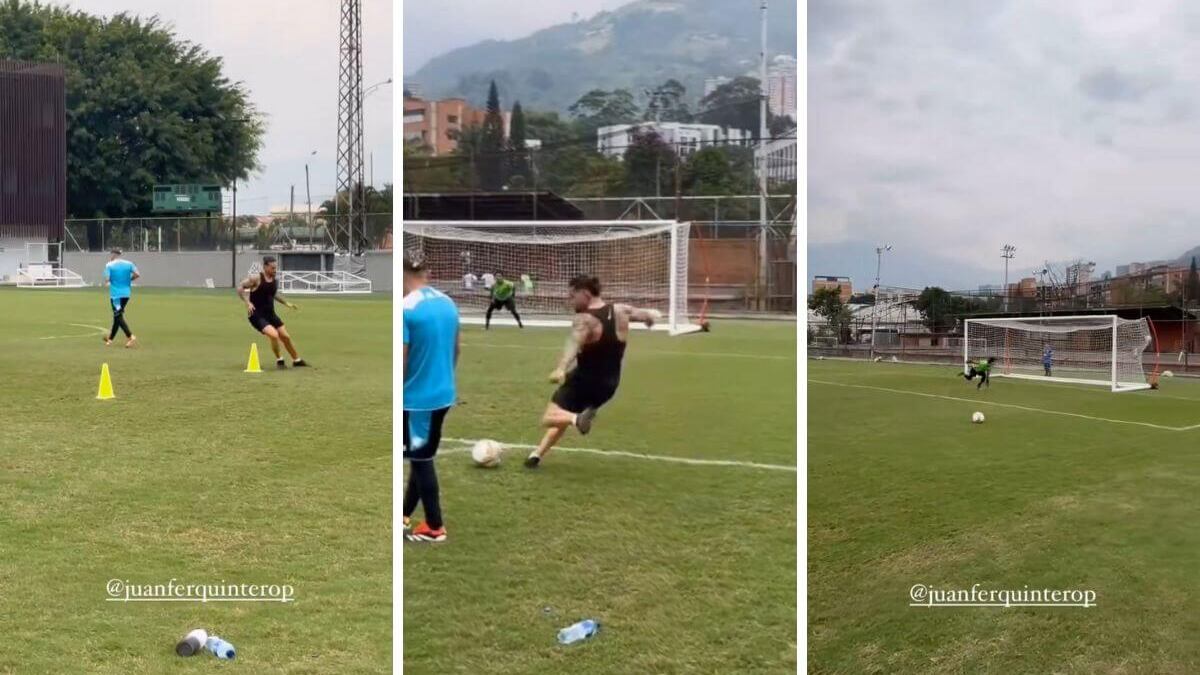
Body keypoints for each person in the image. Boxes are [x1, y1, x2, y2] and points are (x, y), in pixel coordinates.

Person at [525, 274, 659, 468]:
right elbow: (644, 314)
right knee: (565, 413)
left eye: (572, 296)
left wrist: (560, 368)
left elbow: (573, 343)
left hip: (584, 381)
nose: (569, 300)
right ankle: (536, 454)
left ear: (585, 293)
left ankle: (577, 419)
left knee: (549, 418)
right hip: (609, 386)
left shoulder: (584, 319)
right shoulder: (621, 310)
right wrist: (650, 318)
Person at [403, 252, 460, 543]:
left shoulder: (406, 308)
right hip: (444, 394)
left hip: (416, 400)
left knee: (421, 459)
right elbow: (456, 349)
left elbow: (401, 362)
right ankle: (403, 515)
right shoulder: (448, 302)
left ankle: (435, 527)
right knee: (419, 455)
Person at [237, 256, 308, 369]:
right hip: (257, 315)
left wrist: (286, 303)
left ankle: (296, 360)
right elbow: (240, 287)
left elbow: (273, 294)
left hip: (270, 314)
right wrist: (247, 302)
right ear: (265, 267)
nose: (275, 270)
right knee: (274, 335)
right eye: (272, 268)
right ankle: (280, 360)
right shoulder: (256, 278)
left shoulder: (274, 280)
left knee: (285, 336)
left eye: (276, 268)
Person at [103, 249, 140, 347]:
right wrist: (128, 280)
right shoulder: (129, 263)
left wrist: (110, 281)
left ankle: (130, 336)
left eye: (111, 254)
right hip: (126, 294)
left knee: (118, 316)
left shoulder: (109, 265)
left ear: (114, 255)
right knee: (117, 316)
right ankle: (110, 339)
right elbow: (137, 274)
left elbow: (106, 281)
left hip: (116, 296)